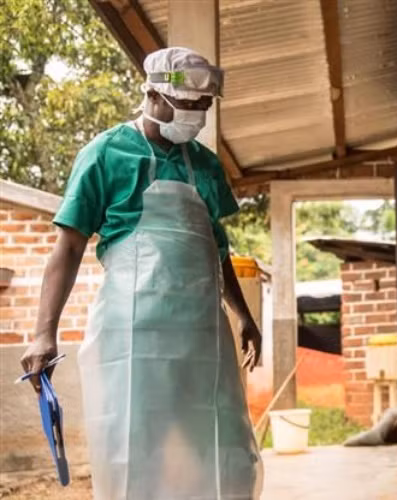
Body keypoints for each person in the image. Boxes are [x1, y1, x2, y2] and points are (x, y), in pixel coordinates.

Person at [19, 47, 263, 499]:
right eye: (189, 105)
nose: (198, 116)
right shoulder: (106, 153)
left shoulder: (206, 166)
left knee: (219, 447)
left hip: (201, 337)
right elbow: (68, 246)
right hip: (132, 338)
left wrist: (243, 314)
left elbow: (216, 248)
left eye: (204, 106)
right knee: (135, 450)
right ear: (152, 95)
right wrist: (43, 333)